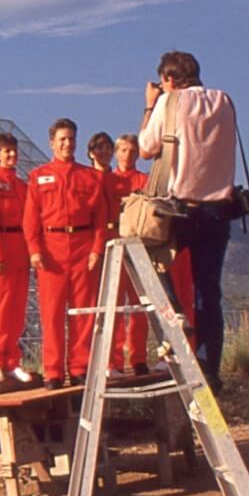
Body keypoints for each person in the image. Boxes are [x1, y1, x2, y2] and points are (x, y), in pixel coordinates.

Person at [137, 51, 237, 389]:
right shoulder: (224, 100)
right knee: (209, 292)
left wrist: (152, 104)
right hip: (220, 208)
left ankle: (175, 313)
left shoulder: (169, 102)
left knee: (153, 258)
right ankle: (211, 368)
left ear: (168, 79)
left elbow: (146, 148)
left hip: (181, 207)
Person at [24, 118, 108, 389]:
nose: (67, 144)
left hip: (83, 248)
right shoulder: (38, 177)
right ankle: (53, 371)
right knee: (52, 314)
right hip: (52, 250)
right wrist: (35, 250)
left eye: (71, 139)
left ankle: (80, 366)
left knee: (83, 313)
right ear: (52, 143)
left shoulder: (90, 177)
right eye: (61, 139)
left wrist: (96, 250)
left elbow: (100, 218)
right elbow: (30, 219)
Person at [0, 132, 34, 384]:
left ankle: (12, 359)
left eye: (13, 151)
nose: (11, 155)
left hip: (20, 249)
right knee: (0, 309)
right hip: (1, 248)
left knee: (17, 309)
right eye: (6, 151)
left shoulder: (22, 186)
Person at [109, 134, 150, 373]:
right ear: (116, 153)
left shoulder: (144, 180)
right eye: (123, 150)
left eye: (132, 151)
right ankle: (113, 360)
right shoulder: (108, 181)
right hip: (115, 246)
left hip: (138, 248)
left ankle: (138, 357)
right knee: (114, 305)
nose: (127, 155)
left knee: (139, 306)